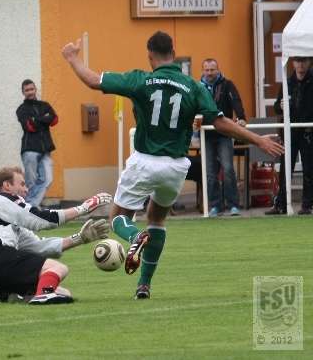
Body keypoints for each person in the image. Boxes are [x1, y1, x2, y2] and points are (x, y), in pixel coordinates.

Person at [62, 31, 283, 299]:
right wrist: (258, 139)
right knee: (156, 219)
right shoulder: (194, 86)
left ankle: (134, 238)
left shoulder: (140, 80)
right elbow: (221, 122)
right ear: (173, 54)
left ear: (149, 55)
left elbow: (93, 80)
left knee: (118, 218)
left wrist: (73, 58)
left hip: (144, 161)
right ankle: (144, 284)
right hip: (176, 167)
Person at [0, 166, 112, 304]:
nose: (26, 189)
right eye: (22, 184)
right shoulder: (1, 200)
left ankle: (25, 296)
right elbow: (43, 219)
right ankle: (43, 295)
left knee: (63, 293)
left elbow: (40, 247)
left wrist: (80, 238)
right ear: (7, 185)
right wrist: (84, 208)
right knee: (58, 268)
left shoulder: (8, 220)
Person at [200, 58, 248, 217]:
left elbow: (236, 101)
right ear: (203, 71)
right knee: (210, 172)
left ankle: (233, 204)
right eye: (207, 70)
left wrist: (241, 117)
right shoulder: (198, 87)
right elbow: (192, 106)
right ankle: (215, 206)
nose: (209, 73)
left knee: (228, 169)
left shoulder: (227, 84)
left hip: (225, 134)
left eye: (212, 70)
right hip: (206, 134)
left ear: (218, 70)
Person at [267, 56, 313, 215]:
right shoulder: (287, 82)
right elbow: (276, 107)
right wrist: (280, 106)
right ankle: (281, 204)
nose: (301, 65)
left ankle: (307, 205)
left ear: (309, 62)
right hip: (290, 133)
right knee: (286, 169)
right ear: (293, 63)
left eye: (304, 61)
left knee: (309, 170)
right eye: (298, 61)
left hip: (308, 132)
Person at [16, 79, 58, 207]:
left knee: (48, 179)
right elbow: (30, 127)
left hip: (45, 149)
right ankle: (31, 207)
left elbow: (55, 120)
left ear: (35, 89)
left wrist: (36, 119)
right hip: (29, 150)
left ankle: (30, 205)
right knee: (31, 182)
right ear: (23, 92)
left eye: (31, 89)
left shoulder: (44, 105)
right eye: (27, 90)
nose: (30, 92)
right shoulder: (21, 109)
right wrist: (44, 118)